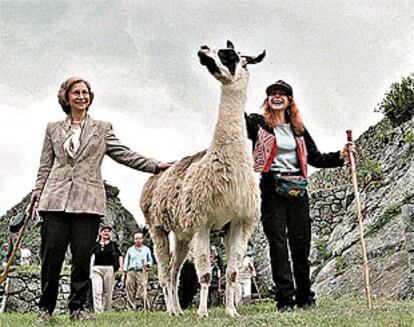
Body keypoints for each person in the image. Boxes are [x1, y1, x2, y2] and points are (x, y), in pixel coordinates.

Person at [25, 77, 171, 323]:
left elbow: (124, 153)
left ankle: (77, 309)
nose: (82, 96)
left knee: (82, 259)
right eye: (76, 92)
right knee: (51, 259)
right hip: (54, 201)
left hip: (88, 202)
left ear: (90, 97)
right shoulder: (52, 129)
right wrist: (37, 194)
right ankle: (45, 309)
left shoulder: (102, 128)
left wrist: (155, 166)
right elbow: (44, 166)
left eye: (85, 92)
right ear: (66, 97)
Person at [245, 80, 352, 312]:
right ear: (267, 99)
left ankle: (305, 296)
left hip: (297, 187)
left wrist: (340, 155)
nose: (277, 97)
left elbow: (315, 157)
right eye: (272, 94)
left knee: (301, 243)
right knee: (278, 244)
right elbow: (236, 121)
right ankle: (285, 299)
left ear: (289, 100)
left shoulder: (298, 129)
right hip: (272, 187)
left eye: (282, 94)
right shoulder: (258, 124)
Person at [91, 225, 123, 313]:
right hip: (96, 269)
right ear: (100, 233)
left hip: (109, 268)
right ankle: (98, 312)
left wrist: (121, 267)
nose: (106, 233)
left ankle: (107, 311)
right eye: (104, 231)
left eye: (108, 231)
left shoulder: (113, 244)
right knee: (97, 290)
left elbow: (120, 256)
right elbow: (90, 257)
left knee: (108, 292)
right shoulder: (95, 245)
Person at [122, 232, 153, 310]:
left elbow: (151, 260)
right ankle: (131, 308)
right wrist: (124, 272)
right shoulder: (130, 250)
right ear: (134, 240)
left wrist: (147, 264)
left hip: (142, 271)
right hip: (131, 271)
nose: (138, 240)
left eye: (139, 238)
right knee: (130, 290)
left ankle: (147, 308)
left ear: (142, 239)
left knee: (142, 292)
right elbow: (126, 261)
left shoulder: (146, 249)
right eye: (136, 239)